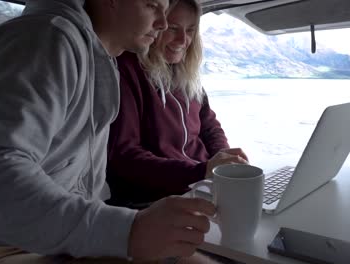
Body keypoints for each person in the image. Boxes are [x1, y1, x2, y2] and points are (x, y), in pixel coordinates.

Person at [0, 0, 216, 263]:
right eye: (152, 5)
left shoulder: (100, 60)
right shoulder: (46, 38)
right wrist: (127, 230)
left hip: (46, 239)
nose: (161, 23)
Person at [106, 0, 248, 207]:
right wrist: (200, 171)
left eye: (190, 30)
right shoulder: (127, 69)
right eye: (173, 28)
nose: (184, 39)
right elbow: (125, 156)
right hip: (153, 200)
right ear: (156, 25)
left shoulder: (185, 74)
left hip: (201, 186)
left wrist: (223, 161)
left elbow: (209, 126)